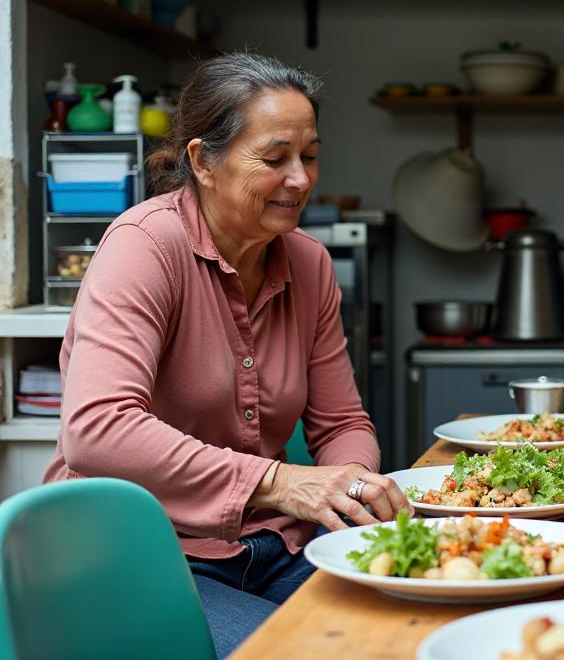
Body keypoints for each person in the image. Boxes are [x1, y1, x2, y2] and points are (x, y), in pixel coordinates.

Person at [43, 53, 410, 658]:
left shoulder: (310, 265)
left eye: (310, 155)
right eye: (274, 159)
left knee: (411, 630)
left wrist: (354, 490)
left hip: (278, 550)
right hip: (147, 554)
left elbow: (342, 423)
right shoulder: (145, 248)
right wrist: (279, 481)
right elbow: (97, 429)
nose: (300, 179)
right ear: (201, 162)